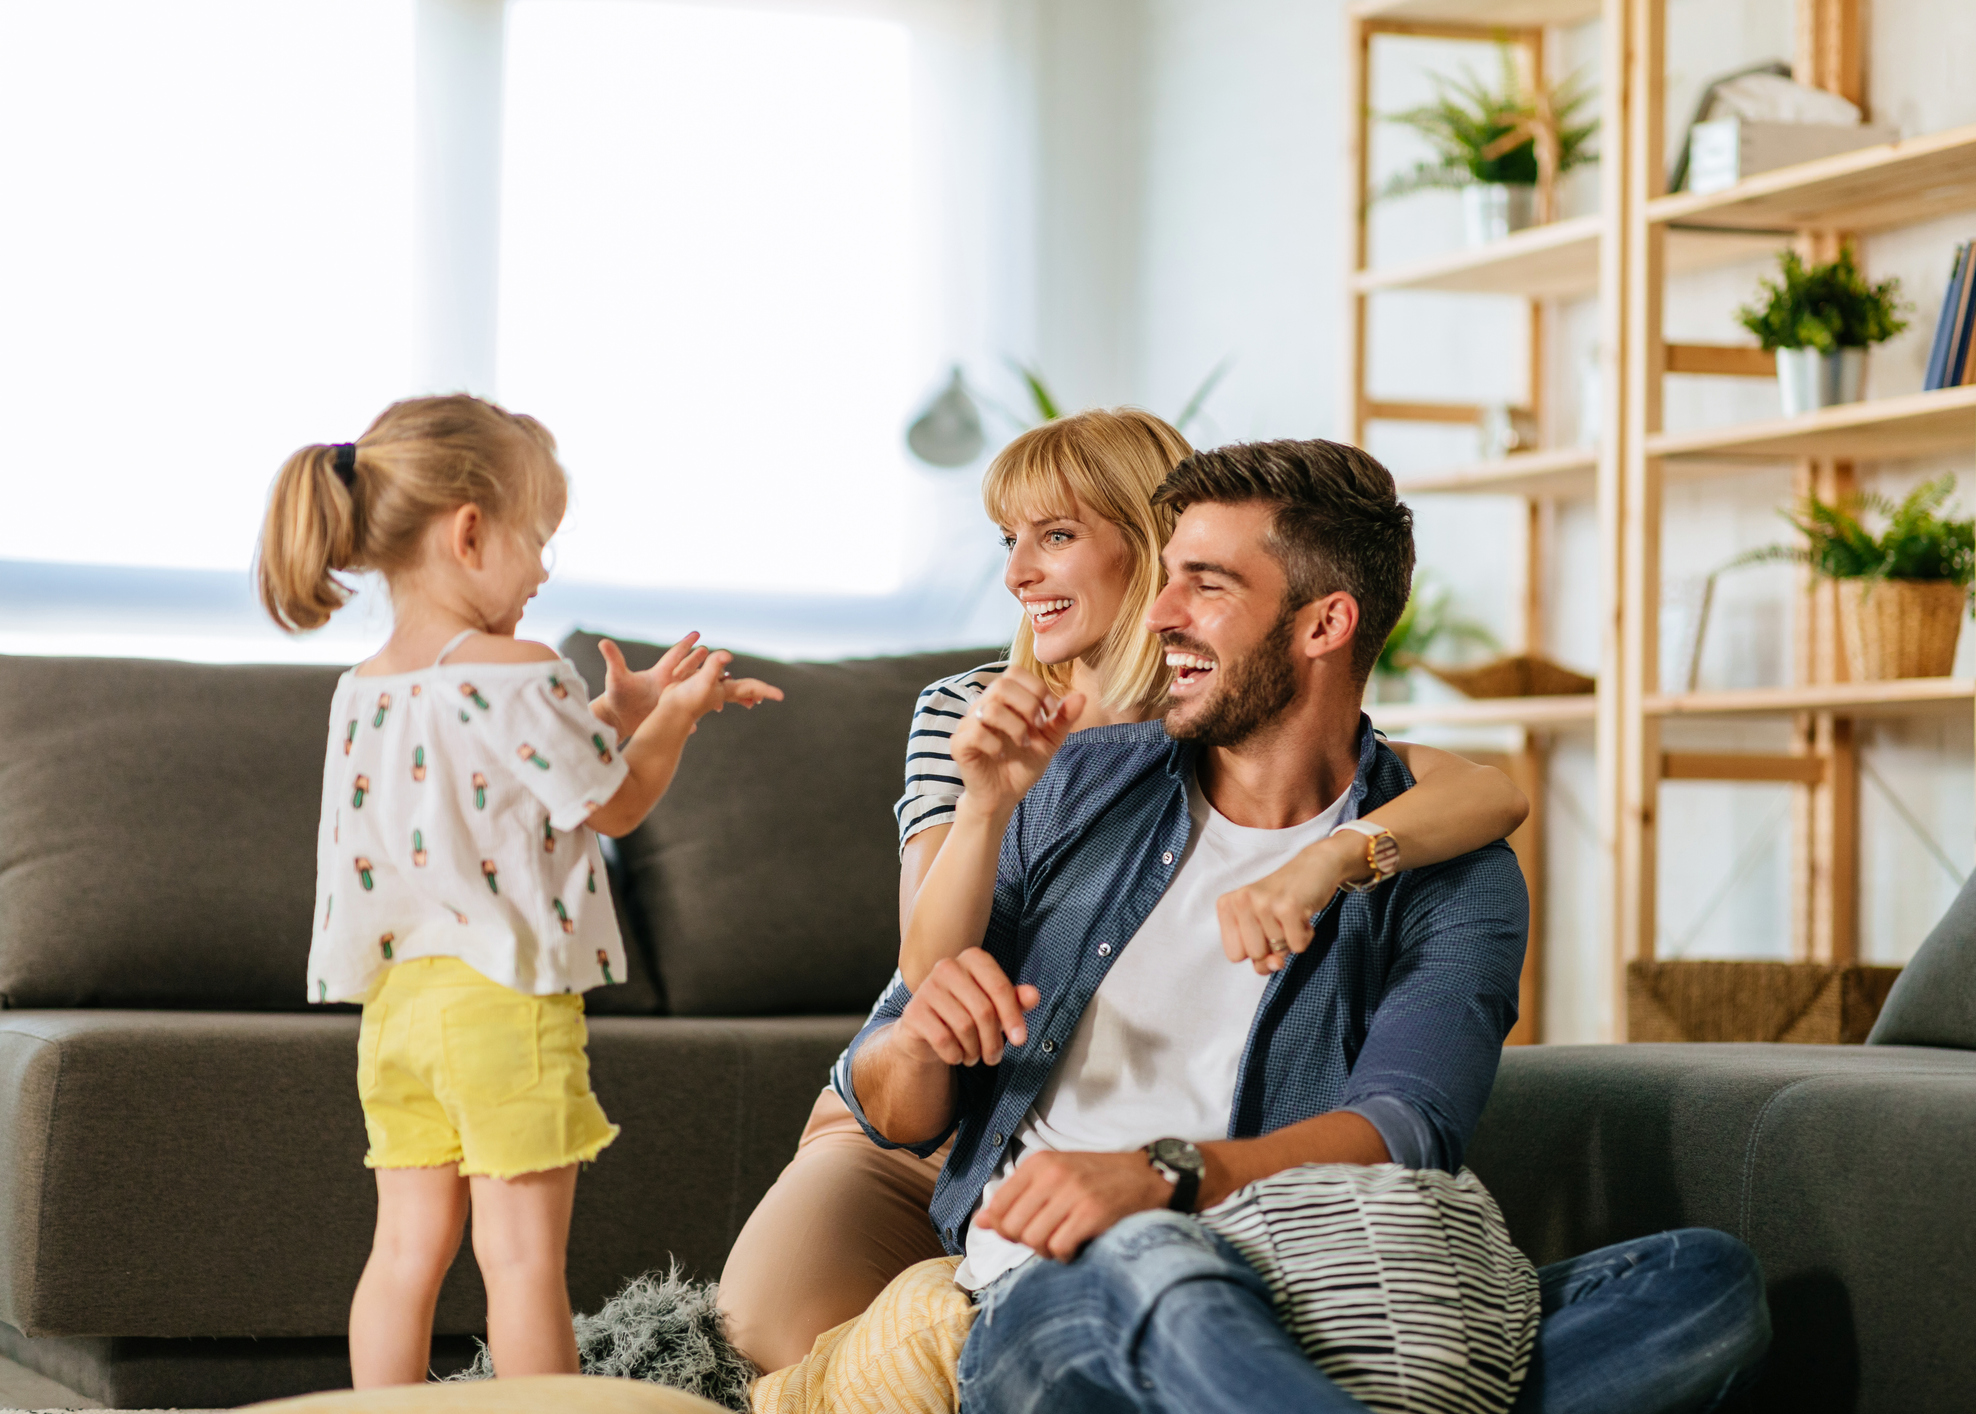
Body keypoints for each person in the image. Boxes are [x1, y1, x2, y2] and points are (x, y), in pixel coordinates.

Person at [824, 438, 1768, 1414]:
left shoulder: (1448, 871)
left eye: (1207, 585)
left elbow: (1407, 1124)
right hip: (1059, 1299)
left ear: (1325, 624)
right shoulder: (1065, 785)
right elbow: (889, 1093)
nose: (1159, 614)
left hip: (1306, 1288)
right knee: (1149, 1252)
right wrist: (931, 1034)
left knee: (1702, 1284)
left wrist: (1169, 1173)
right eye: (1167, 575)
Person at [715, 410, 1531, 1370]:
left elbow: (1474, 794)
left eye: (1056, 535)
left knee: (1696, 1279)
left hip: (1204, 1229)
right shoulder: (1022, 751)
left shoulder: (1310, 752)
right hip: (949, 1126)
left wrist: (1331, 859)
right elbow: (928, 987)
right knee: (776, 1325)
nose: (1019, 572)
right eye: (1009, 541)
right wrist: (984, 808)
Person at [257, 395, 781, 1387]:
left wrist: (606, 714)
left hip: (397, 1011)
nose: (544, 567)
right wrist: (671, 715)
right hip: (503, 1002)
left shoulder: (364, 687)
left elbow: (481, 790)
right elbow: (616, 804)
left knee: (404, 1256)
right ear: (469, 530)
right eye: (539, 539)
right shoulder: (521, 667)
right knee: (525, 1261)